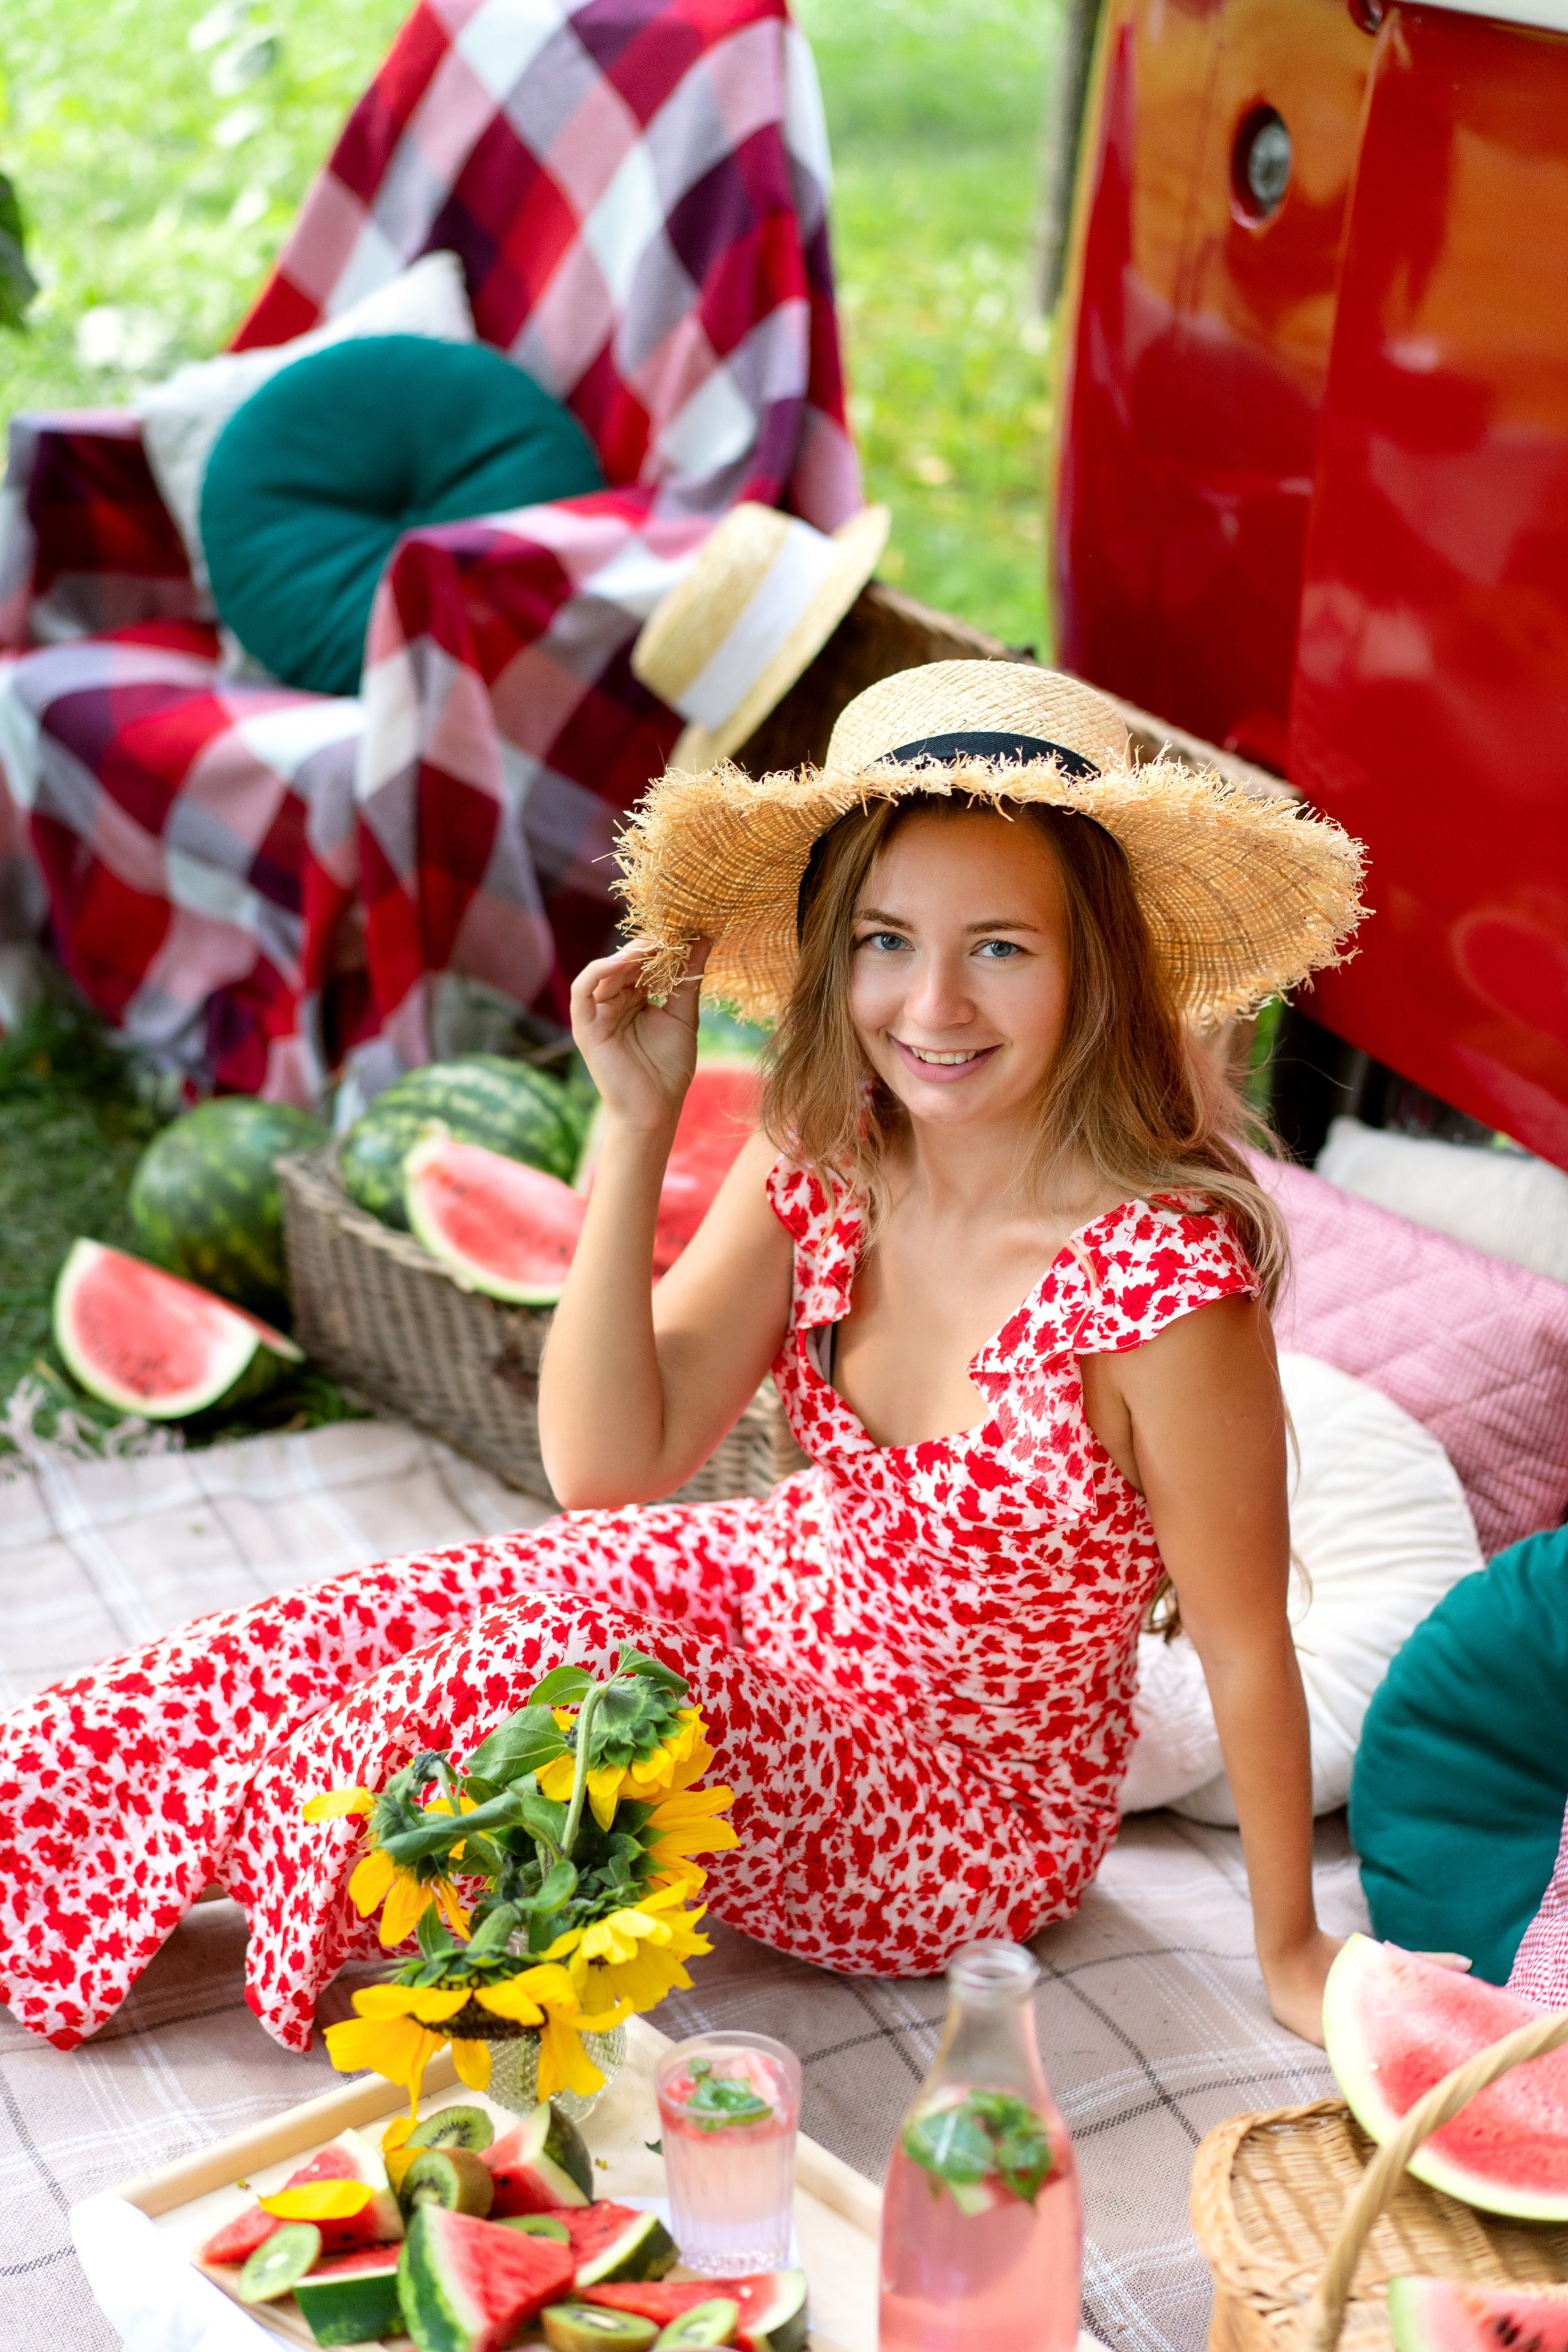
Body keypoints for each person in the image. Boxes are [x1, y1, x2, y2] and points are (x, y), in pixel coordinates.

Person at [0, 663, 1364, 2059]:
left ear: (1094, 966)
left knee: (572, 1658)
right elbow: (607, 1467)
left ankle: (253, 1855)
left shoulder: (1161, 1293)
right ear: (834, 951)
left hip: (955, 1814)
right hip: (774, 1603)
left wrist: (1291, 1946)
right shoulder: (826, 1153)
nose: (932, 1004)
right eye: (886, 940)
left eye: (999, 948)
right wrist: (635, 1123)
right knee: (375, 1616)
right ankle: (33, 1823)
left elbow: (1248, 1649)